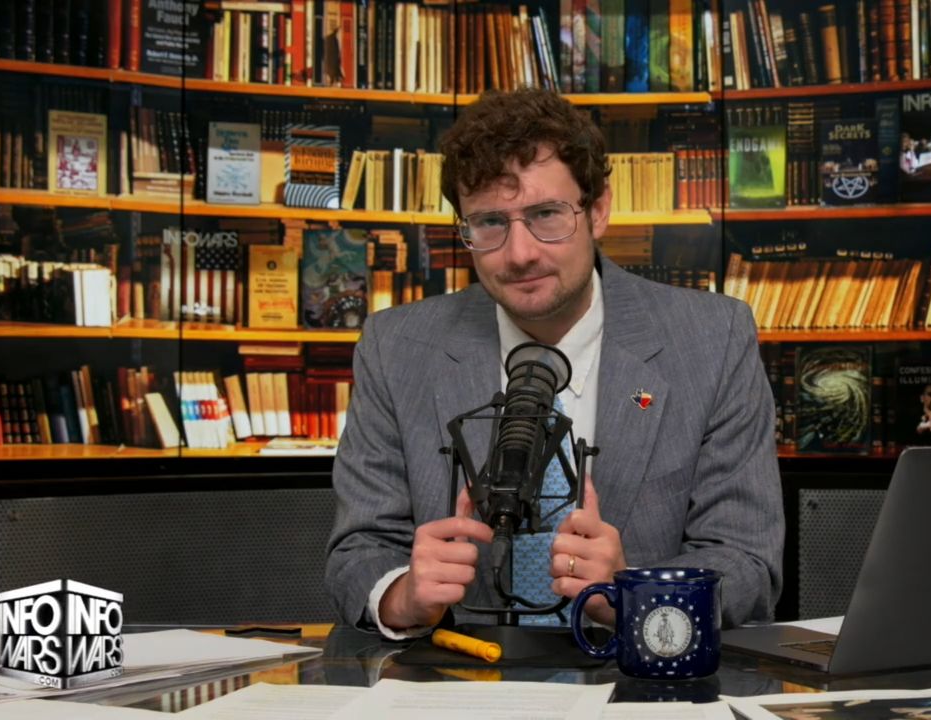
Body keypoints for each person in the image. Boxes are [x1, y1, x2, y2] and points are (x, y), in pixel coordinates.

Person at [325, 88, 784, 638]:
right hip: (460, 674)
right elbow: (357, 552)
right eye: (489, 222)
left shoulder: (713, 339)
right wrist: (403, 595)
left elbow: (747, 564)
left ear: (598, 210)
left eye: (546, 214)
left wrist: (635, 596)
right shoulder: (395, 346)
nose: (520, 253)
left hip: (635, 673)